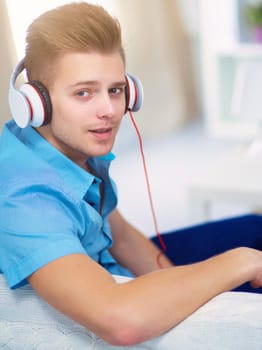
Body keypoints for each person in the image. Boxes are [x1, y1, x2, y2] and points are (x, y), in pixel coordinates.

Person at [0, 2, 262, 346]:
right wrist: (237, 264)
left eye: (116, 89)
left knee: (254, 226)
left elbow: (119, 234)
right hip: (111, 299)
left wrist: (176, 285)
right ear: (35, 102)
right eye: (83, 92)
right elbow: (120, 321)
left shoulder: (71, 142)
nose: (109, 111)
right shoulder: (24, 198)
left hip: (110, 270)